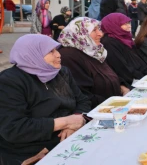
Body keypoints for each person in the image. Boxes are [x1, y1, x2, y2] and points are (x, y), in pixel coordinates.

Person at [0, 34, 90, 165]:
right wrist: (65, 122)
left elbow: (83, 100)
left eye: (56, 50)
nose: (58, 55)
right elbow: (14, 129)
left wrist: (73, 124)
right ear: (32, 54)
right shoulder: (10, 82)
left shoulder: (61, 72)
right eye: (50, 51)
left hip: (68, 137)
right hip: (31, 151)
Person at [58, 17, 124, 108]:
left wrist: (121, 87)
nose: (100, 34)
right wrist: (114, 104)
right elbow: (83, 94)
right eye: (94, 30)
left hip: (112, 106)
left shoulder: (93, 51)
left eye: (99, 29)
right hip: (96, 112)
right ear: (80, 33)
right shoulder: (69, 56)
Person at [101, 13, 147, 88]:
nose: (129, 26)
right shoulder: (109, 43)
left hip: (142, 78)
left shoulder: (125, 38)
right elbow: (121, 67)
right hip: (131, 83)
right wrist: (142, 78)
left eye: (129, 23)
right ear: (114, 25)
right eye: (125, 24)